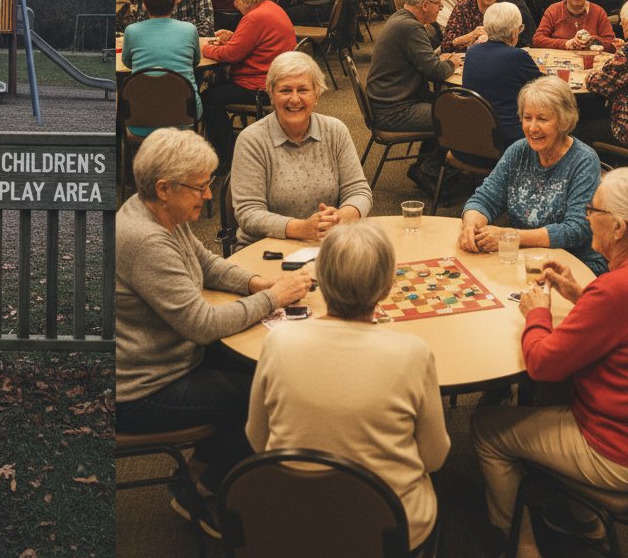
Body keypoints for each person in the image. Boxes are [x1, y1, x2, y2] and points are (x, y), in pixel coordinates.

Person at [116, 129, 312, 533]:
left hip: (172, 354)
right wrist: (273, 297)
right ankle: (204, 491)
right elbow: (202, 326)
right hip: (144, 389)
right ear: (164, 187)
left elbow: (205, 263)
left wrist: (255, 282)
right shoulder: (146, 240)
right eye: (201, 187)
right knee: (274, 395)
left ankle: (203, 464)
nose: (208, 196)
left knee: (277, 367)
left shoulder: (156, 209)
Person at [248, 222, 450, 552]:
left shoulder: (278, 341)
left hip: (289, 522)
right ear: (386, 289)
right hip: (388, 528)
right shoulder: (413, 352)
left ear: (320, 281)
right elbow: (435, 458)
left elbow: (258, 441)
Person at [471, 167, 628, 558]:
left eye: (594, 211)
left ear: (619, 228)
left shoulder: (613, 291)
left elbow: (542, 364)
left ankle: (523, 548)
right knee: (552, 391)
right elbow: (614, 323)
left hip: (615, 449)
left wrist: (537, 312)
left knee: (486, 430)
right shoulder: (609, 291)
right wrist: (581, 294)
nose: (587, 216)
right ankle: (586, 522)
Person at [458, 77, 605, 273]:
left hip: (576, 264)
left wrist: (512, 237)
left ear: (564, 121)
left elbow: (576, 230)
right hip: (525, 258)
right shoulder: (518, 151)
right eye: (528, 118)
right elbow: (484, 199)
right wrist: (471, 224)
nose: (532, 128)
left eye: (542, 119)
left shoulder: (583, 160)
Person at [230, 51, 371, 248]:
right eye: (285, 90)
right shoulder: (252, 140)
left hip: (327, 243)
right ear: (271, 93)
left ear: (317, 94)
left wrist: (340, 217)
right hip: (266, 248)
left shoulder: (335, 130)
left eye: (303, 90)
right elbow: (248, 213)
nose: (294, 99)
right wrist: (302, 228)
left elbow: (359, 191)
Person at [201, 0, 296, 171]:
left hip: (259, 86)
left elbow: (231, 54)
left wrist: (203, 48)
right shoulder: (270, 8)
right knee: (215, 90)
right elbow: (249, 43)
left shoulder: (254, 17)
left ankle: (226, 156)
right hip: (276, 78)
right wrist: (234, 37)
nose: (234, 4)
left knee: (207, 98)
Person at [365, 0, 455, 184]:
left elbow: (425, 61)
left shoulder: (400, 18)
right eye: (438, 5)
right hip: (394, 111)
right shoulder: (412, 29)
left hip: (386, 103)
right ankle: (431, 171)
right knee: (455, 116)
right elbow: (436, 71)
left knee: (444, 103)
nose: (440, 10)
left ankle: (424, 166)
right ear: (425, 5)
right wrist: (453, 62)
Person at [122, 0, 201, 136]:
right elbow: (195, 61)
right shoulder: (189, 30)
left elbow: (127, 62)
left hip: (140, 116)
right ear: (174, 3)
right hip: (184, 115)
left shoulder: (131, 31)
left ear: (144, 5)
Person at [462, 2, 543, 147]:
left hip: (471, 139)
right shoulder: (517, 57)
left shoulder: (472, 52)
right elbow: (546, 86)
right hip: (507, 142)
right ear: (514, 32)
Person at [583, 0, 628, 147]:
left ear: (625, 25)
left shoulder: (625, 56)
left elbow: (596, 82)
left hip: (624, 130)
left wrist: (592, 72)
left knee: (577, 126)